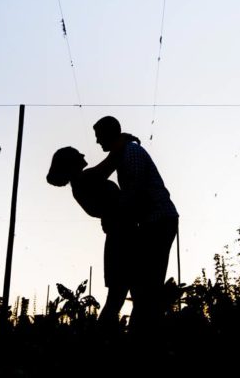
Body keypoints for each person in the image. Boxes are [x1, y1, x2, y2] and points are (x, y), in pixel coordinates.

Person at [85, 116, 179, 329]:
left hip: (158, 220)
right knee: (143, 285)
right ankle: (143, 332)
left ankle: (145, 334)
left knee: (147, 284)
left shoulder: (131, 152)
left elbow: (134, 192)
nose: (98, 142)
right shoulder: (122, 153)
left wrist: (114, 215)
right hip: (151, 221)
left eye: (99, 137)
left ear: (110, 134)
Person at [46, 146, 135, 323]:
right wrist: (121, 140)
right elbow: (111, 162)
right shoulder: (86, 179)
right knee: (119, 298)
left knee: (117, 298)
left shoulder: (79, 186)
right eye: (78, 153)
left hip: (117, 238)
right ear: (71, 162)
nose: (83, 154)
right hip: (122, 238)